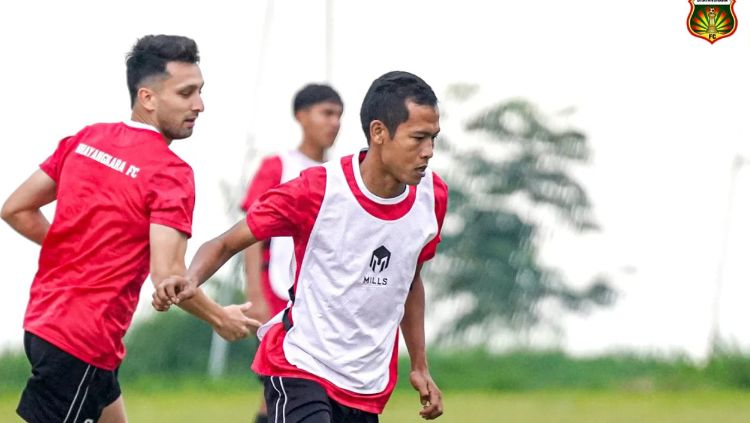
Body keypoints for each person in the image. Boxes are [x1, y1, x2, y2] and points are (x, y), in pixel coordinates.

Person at [156, 70, 446, 422]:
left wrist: (419, 365)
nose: (428, 152)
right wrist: (191, 279)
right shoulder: (316, 188)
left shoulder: (433, 196)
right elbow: (225, 242)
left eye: (433, 138)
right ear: (379, 133)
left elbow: (409, 281)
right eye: (418, 138)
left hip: (366, 385)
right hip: (301, 364)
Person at [1, 34, 257, 423]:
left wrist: (78, 249)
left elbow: (17, 208)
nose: (199, 105)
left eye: (201, 92)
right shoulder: (171, 174)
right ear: (147, 97)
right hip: (81, 342)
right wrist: (220, 317)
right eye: (186, 93)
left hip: (45, 322)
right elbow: (168, 276)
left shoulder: (86, 139)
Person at [241, 83, 343, 423]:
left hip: (320, 302)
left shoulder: (340, 174)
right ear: (301, 116)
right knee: (281, 387)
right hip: (278, 294)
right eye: (326, 113)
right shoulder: (278, 166)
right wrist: (255, 293)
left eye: (339, 115)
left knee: (285, 393)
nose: (334, 122)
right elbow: (251, 232)